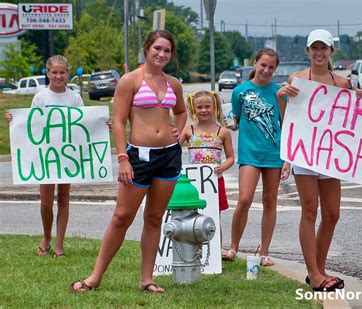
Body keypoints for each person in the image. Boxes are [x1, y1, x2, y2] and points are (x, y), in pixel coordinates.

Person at [70, 30, 187, 293]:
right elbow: (120, 122)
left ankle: (147, 279)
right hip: (138, 157)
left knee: (155, 217)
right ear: (147, 49)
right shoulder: (129, 81)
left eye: (167, 50)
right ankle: (95, 277)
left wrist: (177, 132)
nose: (162, 54)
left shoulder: (173, 83)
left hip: (169, 156)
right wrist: (123, 159)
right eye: (157, 48)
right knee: (122, 216)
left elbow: (180, 111)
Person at [277, 29, 362, 292]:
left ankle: (320, 268)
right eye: (314, 48)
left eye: (323, 48)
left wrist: (358, 101)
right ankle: (314, 274)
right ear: (307, 51)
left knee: (332, 214)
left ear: (331, 51)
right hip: (305, 151)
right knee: (310, 210)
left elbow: (350, 120)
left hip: (330, 154)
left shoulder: (342, 83)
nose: (318, 53)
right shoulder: (298, 79)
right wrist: (282, 97)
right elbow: (288, 119)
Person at [5, 55, 84, 259]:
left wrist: (103, 124)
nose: (58, 76)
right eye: (54, 72)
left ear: (68, 74)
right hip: (45, 156)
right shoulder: (40, 97)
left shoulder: (74, 98)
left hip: (66, 156)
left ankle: (59, 245)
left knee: (64, 198)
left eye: (62, 72)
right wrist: (14, 120)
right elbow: (31, 124)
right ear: (47, 73)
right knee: (46, 202)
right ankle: (46, 238)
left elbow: (84, 124)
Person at [223, 48, 288, 267]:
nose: (267, 70)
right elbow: (236, 120)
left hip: (274, 153)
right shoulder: (240, 92)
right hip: (250, 153)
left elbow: (287, 124)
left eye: (271, 67)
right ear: (255, 64)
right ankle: (233, 246)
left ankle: (265, 251)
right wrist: (228, 125)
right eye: (263, 65)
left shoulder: (280, 92)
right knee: (244, 199)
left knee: (270, 201)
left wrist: (288, 159)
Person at [180, 90, 235, 212]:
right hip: (193, 180)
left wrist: (223, 167)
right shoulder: (188, 130)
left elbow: (231, 157)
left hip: (215, 179)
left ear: (214, 107)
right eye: (199, 107)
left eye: (207, 106)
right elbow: (173, 148)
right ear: (194, 109)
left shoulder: (223, 132)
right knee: (193, 214)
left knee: (214, 215)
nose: (203, 110)